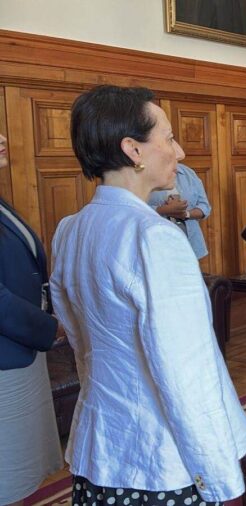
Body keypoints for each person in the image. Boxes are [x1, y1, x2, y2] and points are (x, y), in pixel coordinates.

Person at [50, 85, 246, 505]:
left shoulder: (70, 229)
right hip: (157, 460)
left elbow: (79, 343)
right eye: (169, 138)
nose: (177, 152)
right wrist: (219, 476)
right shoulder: (153, 237)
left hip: (98, 447)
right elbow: (186, 371)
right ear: (133, 150)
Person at [0, 132, 64, 506]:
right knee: (8, 473)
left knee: (20, 472)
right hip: (7, 355)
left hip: (21, 348)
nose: (4, 137)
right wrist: (49, 328)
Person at [147, 162, 212, 259]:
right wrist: (162, 210)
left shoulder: (188, 173)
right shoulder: (144, 173)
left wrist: (186, 214)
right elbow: (133, 208)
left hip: (191, 244)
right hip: (156, 245)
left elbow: (205, 207)